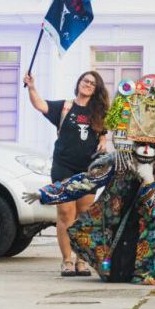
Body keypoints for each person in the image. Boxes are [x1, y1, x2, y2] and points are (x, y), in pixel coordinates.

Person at [23, 73, 155, 285]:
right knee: (114, 273)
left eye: (151, 145)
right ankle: (73, 261)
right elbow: (88, 180)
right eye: (140, 142)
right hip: (118, 231)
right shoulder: (121, 162)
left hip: (148, 244)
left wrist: (148, 179)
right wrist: (46, 193)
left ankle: (140, 268)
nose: (145, 148)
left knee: (148, 265)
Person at [23, 70, 109, 277]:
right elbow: (40, 105)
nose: (88, 84)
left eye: (92, 83)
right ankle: (67, 261)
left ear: (96, 89)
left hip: (88, 170)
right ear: (79, 83)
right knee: (65, 214)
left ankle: (82, 260)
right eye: (85, 81)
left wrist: (105, 141)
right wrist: (32, 87)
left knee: (84, 216)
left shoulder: (99, 112)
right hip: (63, 167)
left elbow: (107, 132)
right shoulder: (65, 107)